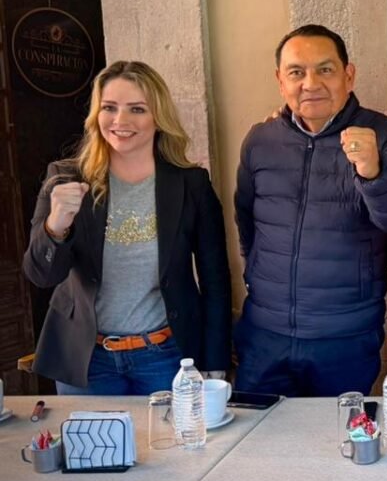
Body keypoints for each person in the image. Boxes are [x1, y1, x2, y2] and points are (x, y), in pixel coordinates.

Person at [234, 25, 387, 396]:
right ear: (280, 81)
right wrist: (260, 279)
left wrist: (372, 171)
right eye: (296, 72)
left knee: (339, 431)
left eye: (325, 70)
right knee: (258, 431)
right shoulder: (260, 140)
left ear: (348, 76)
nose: (311, 84)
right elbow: (247, 222)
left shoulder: (384, 135)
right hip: (265, 334)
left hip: (344, 337)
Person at [23, 61, 231, 394]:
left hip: (167, 357)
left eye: (137, 109)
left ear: (158, 117)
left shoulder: (191, 183)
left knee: (174, 432)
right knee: (92, 434)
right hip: (87, 360)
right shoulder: (65, 178)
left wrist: (215, 362)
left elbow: (215, 279)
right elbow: (41, 275)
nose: (120, 120)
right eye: (109, 107)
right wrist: (56, 226)